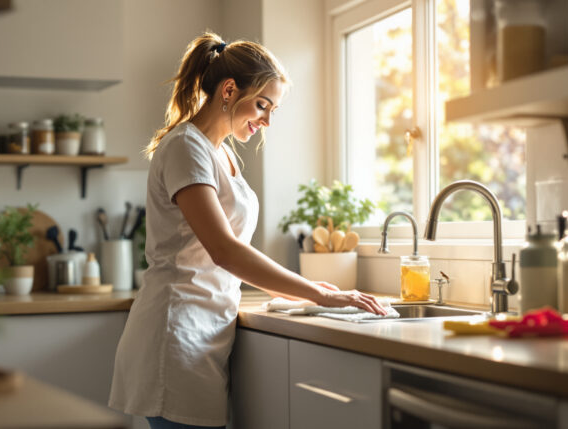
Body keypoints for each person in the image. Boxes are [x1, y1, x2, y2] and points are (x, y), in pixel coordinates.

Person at [109, 32, 386, 429]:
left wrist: (312, 292)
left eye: (273, 109)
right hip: (176, 332)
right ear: (228, 90)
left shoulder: (219, 151)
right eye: (262, 104)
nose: (267, 119)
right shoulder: (186, 147)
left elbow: (230, 253)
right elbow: (224, 250)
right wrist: (317, 293)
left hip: (204, 330)